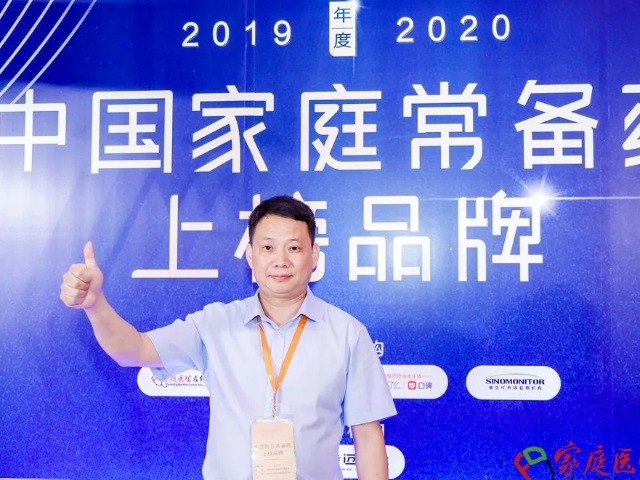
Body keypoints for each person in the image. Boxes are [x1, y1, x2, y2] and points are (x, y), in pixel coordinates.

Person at [60, 195, 396, 480]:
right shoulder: (215, 324)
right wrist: (95, 304)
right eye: (268, 247)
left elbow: (367, 436)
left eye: (294, 248)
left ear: (314, 256)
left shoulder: (347, 333)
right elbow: (133, 350)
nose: (280, 260)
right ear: (250, 256)